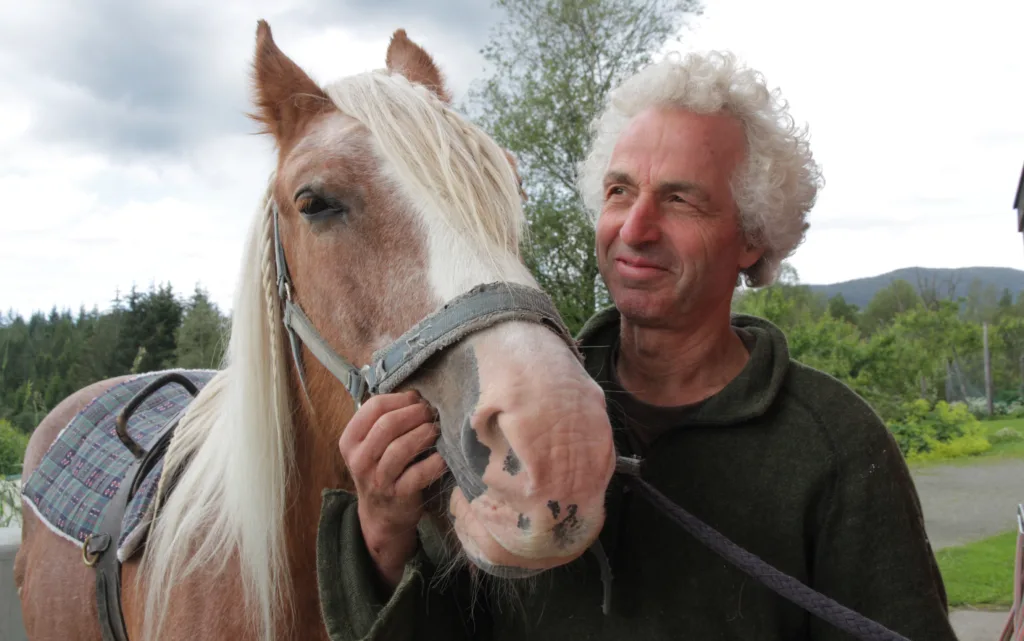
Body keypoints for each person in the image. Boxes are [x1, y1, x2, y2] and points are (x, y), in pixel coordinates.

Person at [324, 50, 959, 641]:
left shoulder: (835, 446)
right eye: (619, 191)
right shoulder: (510, 409)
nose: (635, 227)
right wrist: (382, 533)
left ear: (752, 238)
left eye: (680, 199)